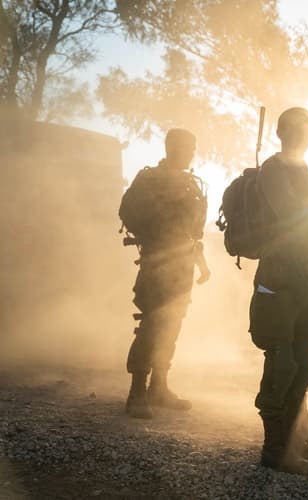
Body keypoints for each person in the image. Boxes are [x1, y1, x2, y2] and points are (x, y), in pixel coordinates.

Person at [248, 107, 308, 474]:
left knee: (307, 360)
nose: (307, 136)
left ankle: (291, 436)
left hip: (305, 281)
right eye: (302, 130)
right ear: (286, 132)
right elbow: (293, 212)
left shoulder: (301, 171)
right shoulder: (274, 170)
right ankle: (273, 448)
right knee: (282, 363)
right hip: (278, 281)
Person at [119, 128, 210, 420]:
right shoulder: (149, 180)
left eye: (193, 148)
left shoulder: (192, 185)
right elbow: (127, 213)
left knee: (171, 326)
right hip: (157, 265)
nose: (191, 153)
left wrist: (202, 264)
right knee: (151, 325)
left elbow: (193, 234)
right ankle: (137, 392)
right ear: (172, 147)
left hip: (182, 268)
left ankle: (159, 387)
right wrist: (158, 218)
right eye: (187, 147)